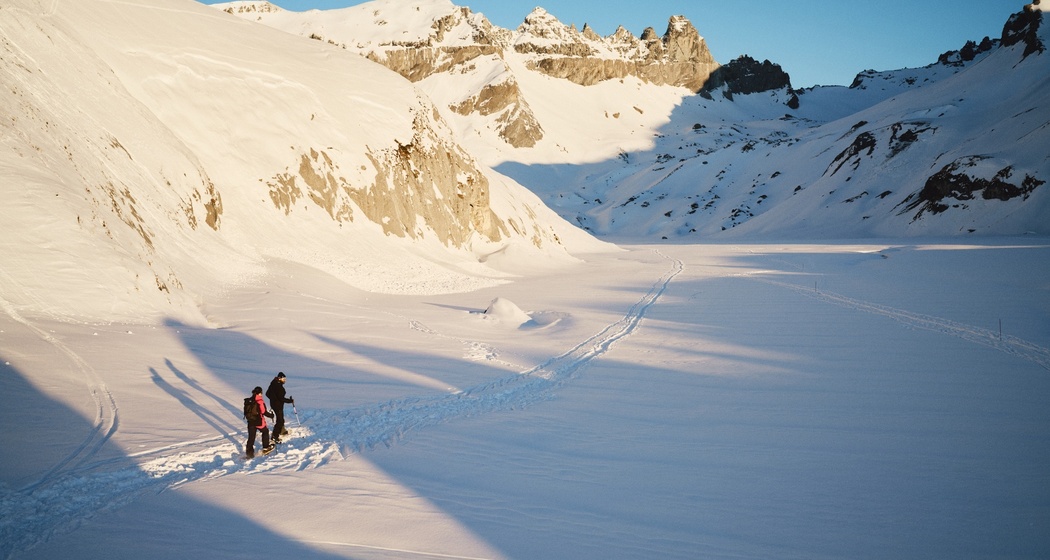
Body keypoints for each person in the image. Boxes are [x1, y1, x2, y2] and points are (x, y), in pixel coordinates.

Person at [265, 372, 294, 444]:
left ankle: (282, 431)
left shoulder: (273, 384)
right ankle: (275, 436)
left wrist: (273, 399)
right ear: (279, 378)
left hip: (275, 405)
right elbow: (281, 398)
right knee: (280, 421)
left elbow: (267, 394)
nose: (285, 380)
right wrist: (290, 401)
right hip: (278, 406)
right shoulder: (278, 386)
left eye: (285, 379)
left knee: (281, 418)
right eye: (284, 379)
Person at [246, 386, 274, 458]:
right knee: (265, 431)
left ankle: (249, 454)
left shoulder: (250, 400)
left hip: (250, 421)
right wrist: (271, 415)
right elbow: (264, 412)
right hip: (258, 421)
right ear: (260, 393)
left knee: (251, 438)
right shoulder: (260, 401)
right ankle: (266, 447)